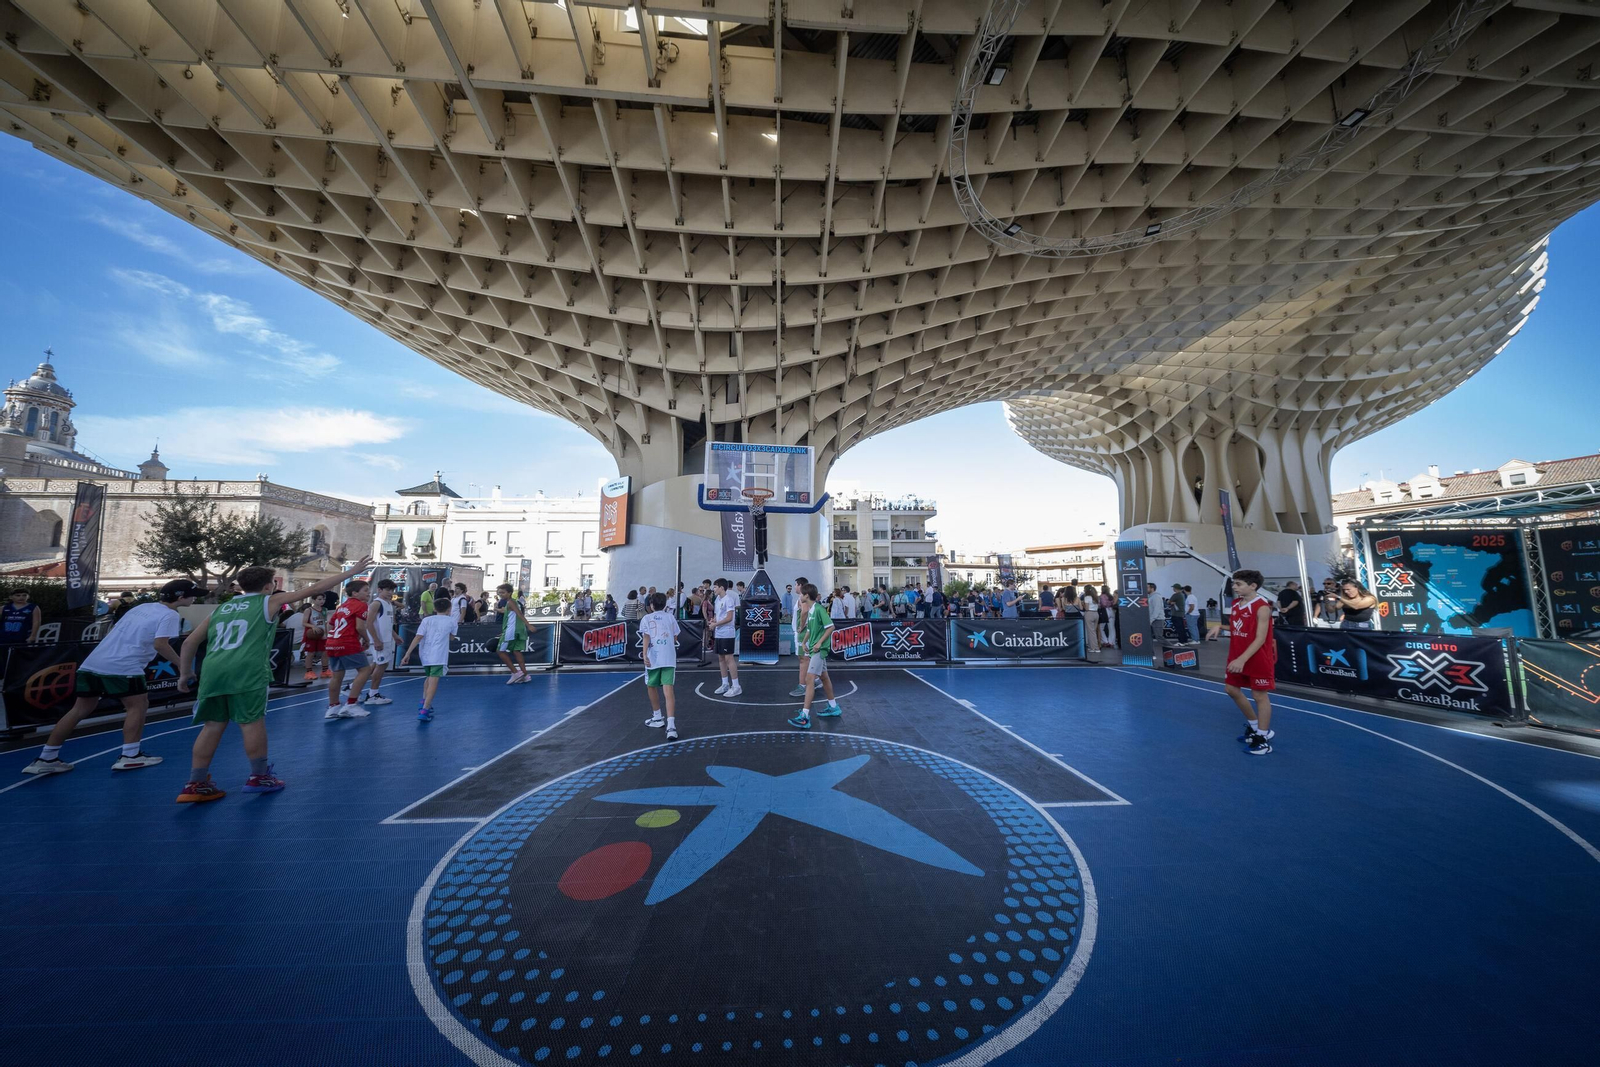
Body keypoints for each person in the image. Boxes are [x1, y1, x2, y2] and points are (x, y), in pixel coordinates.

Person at [175, 555, 374, 802]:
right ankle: (259, 776)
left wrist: (185, 673)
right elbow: (314, 589)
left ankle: (195, 783)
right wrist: (352, 572)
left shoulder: (222, 608)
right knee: (251, 722)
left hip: (214, 670)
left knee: (213, 725)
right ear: (269, 585)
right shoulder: (268, 602)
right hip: (246, 670)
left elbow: (190, 642)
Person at [21, 578, 203, 776]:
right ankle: (130, 756)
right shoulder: (169, 615)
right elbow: (161, 645)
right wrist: (183, 667)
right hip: (124, 666)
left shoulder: (140, 608)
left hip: (93, 663)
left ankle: (46, 757)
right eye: (193, 595)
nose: (195, 599)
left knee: (79, 709)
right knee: (138, 706)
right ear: (181, 597)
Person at [1224, 568, 1277, 756]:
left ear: (1253, 586)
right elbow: (1240, 628)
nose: (1234, 587)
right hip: (1237, 655)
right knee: (1231, 689)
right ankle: (1255, 726)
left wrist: (1242, 659)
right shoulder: (1237, 604)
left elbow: (1260, 638)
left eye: (1238, 584)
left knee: (1259, 696)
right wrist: (1221, 628)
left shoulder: (1262, 607)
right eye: (1233, 583)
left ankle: (1263, 738)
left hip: (1256, 658)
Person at [788, 583, 841, 730]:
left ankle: (805, 716)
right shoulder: (811, 610)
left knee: (809, 679)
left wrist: (819, 643)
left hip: (819, 650)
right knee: (824, 677)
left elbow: (831, 627)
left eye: (801, 594)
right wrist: (804, 642)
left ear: (806, 595)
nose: (799, 597)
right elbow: (811, 629)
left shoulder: (818, 609)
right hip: (813, 649)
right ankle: (833, 706)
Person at [323, 580, 379, 721]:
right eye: (365, 590)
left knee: (337, 675)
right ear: (355, 593)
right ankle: (351, 703)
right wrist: (366, 639)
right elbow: (360, 627)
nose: (368, 593)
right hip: (347, 642)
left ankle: (333, 706)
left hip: (332, 643)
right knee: (365, 670)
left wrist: (332, 638)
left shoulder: (342, 606)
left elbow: (329, 625)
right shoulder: (361, 605)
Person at [401, 594, 457, 722]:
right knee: (433, 681)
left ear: (435, 609)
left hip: (425, 654)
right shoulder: (452, 621)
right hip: (439, 655)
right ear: (449, 609)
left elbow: (418, 637)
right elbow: (452, 637)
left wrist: (407, 653)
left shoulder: (427, 620)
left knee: (429, 678)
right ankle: (425, 709)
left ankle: (423, 702)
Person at [639, 592, 683, 741]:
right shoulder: (670, 617)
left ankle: (657, 716)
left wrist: (644, 654)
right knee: (668, 689)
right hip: (668, 657)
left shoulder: (646, 618)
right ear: (665, 605)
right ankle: (671, 726)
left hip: (654, 658)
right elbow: (676, 636)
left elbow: (646, 637)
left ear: (651, 605)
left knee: (651, 686)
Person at [357, 578, 398, 706]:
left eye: (391, 590)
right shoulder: (376, 603)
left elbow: (388, 623)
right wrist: (375, 640)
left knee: (378, 664)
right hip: (379, 640)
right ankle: (372, 694)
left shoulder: (388, 603)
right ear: (379, 590)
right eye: (387, 590)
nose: (390, 592)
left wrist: (395, 636)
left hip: (385, 640)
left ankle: (353, 686)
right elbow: (368, 623)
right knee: (381, 666)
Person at [495, 583, 533, 682]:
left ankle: (516, 672)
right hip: (518, 630)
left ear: (510, 593)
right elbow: (511, 615)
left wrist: (528, 625)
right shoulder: (513, 602)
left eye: (503, 593)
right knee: (516, 651)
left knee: (500, 651)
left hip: (512, 631)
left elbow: (519, 614)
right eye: (499, 593)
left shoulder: (511, 602)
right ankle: (525, 676)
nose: (501, 595)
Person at [711, 578, 741, 697]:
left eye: (715, 587)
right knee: (721, 659)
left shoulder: (728, 600)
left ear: (722, 588)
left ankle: (736, 686)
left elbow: (729, 618)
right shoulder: (717, 600)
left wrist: (715, 624)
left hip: (727, 633)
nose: (713, 589)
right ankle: (725, 684)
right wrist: (713, 620)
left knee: (729, 659)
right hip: (719, 633)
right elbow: (717, 615)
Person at [788, 574, 811, 697]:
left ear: (801, 585)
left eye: (796, 584)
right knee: (807, 659)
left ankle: (802, 686)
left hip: (802, 633)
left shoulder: (802, 597)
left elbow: (805, 611)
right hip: (803, 632)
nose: (795, 587)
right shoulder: (802, 597)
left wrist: (801, 626)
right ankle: (815, 680)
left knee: (803, 659)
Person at [301, 591, 331, 681]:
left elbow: (325, 622)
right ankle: (308, 672)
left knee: (325, 652)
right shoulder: (309, 610)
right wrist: (313, 626)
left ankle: (325, 670)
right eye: (319, 599)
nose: (322, 601)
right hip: (312, 635)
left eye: (323, 599)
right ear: (313, 600)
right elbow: (304, 623)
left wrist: (327, 633)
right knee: (311, 653)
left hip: (322, 634)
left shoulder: (325, 610)